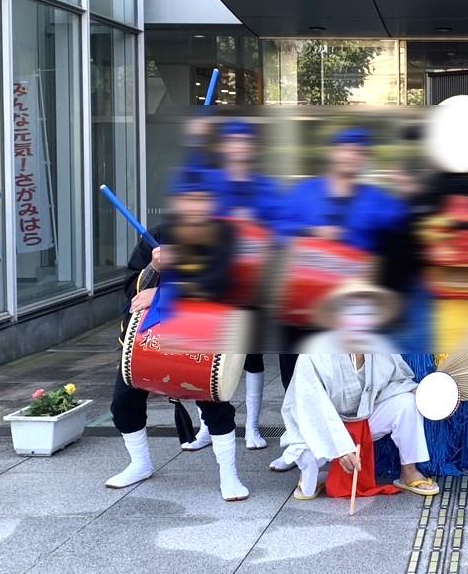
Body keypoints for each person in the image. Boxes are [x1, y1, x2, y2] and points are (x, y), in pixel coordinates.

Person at [106, 168, 250, 501]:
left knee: (214, 404)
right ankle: (140, 463)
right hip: (149, 339)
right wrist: (154, 268)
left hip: (200, 336)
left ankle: (229, 475)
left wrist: (164, 292)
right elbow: (131, 292)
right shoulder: (158, 235)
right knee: (123, 402)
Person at [271, 127, 407, 472]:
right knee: (295, 374)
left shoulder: (375, 198)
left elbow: (402, 229)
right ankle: (298, 444)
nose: (351, 156)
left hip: (350, 304)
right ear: (333, 153)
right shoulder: (305, 193)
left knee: (344, 376)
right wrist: (312, 232)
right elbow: (277, 229)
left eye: (358, 152)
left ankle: (344, 440)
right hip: (303, 301)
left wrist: (410, 194)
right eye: (346, 149)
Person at [279, 281, 438, 499]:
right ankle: (312, 477)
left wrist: (422, 394)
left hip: (362, 420)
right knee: (307, 468)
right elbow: (312, 410)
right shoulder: (314, 353)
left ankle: (408, 472)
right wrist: (342, 447)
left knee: (407, 404)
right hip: (321, 427)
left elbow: (397, 380)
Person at [181, 119, 281, 452]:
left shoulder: (265, 186)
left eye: (244, 142)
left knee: (251, 355)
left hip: (251, 282)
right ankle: (207, 428)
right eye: (232, 142)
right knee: (205, 354)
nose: (239, 148)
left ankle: (252, 426)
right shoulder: (210, 179)